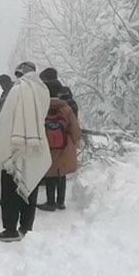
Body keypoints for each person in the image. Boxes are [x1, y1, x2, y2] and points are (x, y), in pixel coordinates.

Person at [0, 61, 52, 242]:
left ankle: (10, 229)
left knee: (10, 189)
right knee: (31, 185)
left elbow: (6, 119)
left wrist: (1, 142)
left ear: (21, 74)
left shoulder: (18, 90)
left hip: (15, 146)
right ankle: (27, 228)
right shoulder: (44, 90)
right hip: (37, 145)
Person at [37, 80, 81, 211]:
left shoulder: (42, 107)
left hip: (47, 145)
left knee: (50, 174)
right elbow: (75, 129)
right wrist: (73, 142)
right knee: (61, 173)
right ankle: (60, 202)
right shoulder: (66, 108)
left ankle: (50, 203)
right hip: (64, 145)